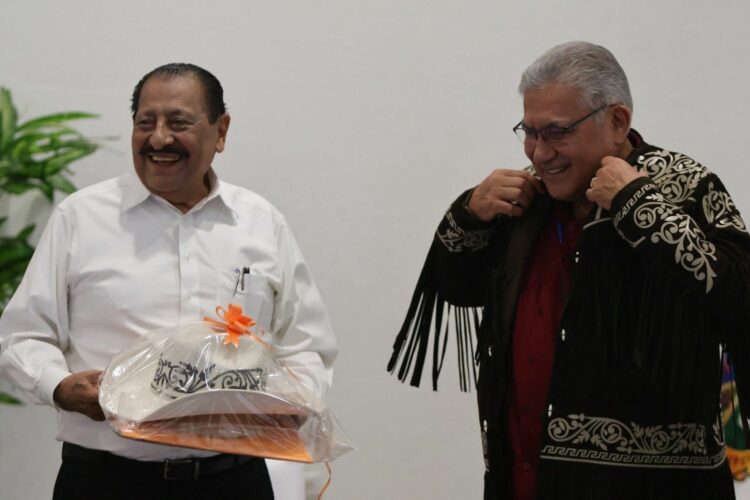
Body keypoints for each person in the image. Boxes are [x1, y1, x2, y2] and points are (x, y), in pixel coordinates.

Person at [387, 41, 750, 499]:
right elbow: (458, 288)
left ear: (617, 121)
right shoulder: (527, 199)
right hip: (523, 479)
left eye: (557, 132)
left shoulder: (682, 186)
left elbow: (738, 297)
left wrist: (640, 206)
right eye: (529, 132)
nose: (539, 154)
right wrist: (469, 214)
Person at [0, 63, 338, 500]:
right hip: (105, 481)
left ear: (220, 131)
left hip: (235, 481)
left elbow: (306, 343)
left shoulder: (260, 223)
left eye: (179, 123)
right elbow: (21, 335)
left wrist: (296, 401)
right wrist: (59, 386)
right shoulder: (80, 218)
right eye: (146, 122)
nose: (159, 138)